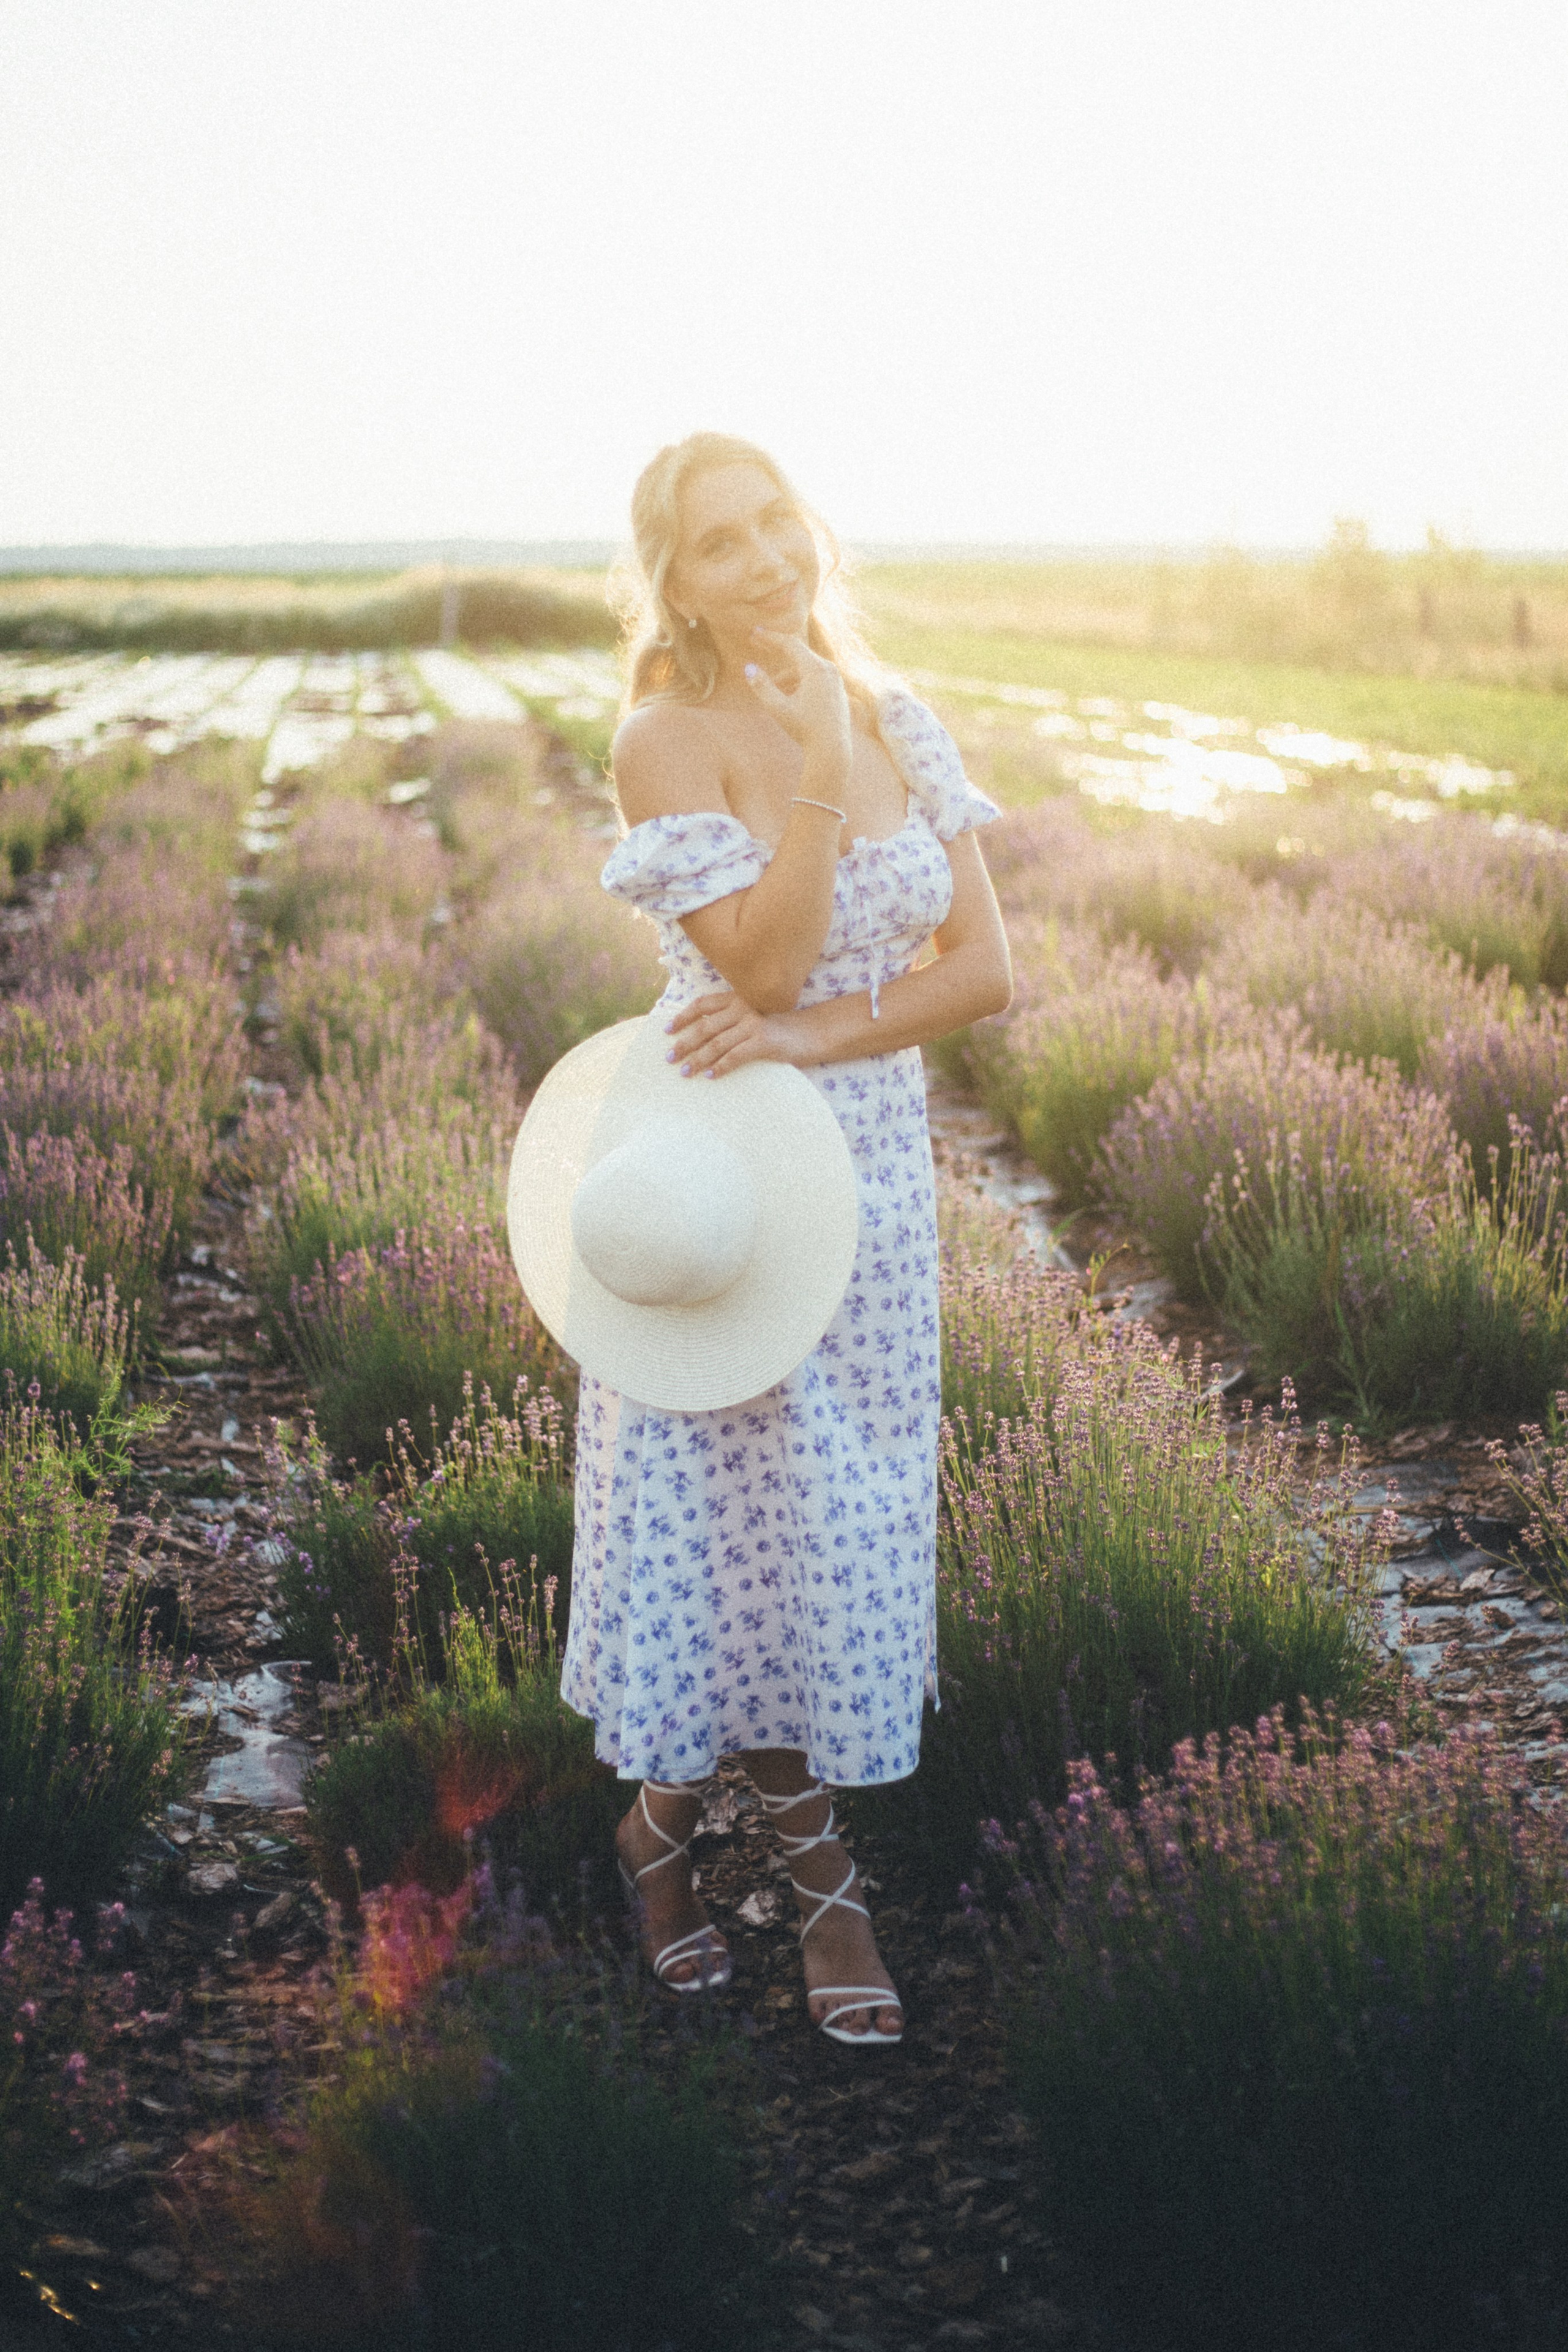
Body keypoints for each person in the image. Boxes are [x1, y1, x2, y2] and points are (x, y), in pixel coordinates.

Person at [562, 431, 1012, 2043]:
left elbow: (988, 974)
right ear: (669, 582)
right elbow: (758, 968)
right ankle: (826, 1891)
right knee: (732, 1536)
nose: (762, 560)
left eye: (774, 524)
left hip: (874, 1187)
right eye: (716, 544)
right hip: (722, 1188)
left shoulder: (901, 713)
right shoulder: (663, 738)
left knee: (834, 1534)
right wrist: (815, 760)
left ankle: (655, 1838)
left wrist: (831, 1043)